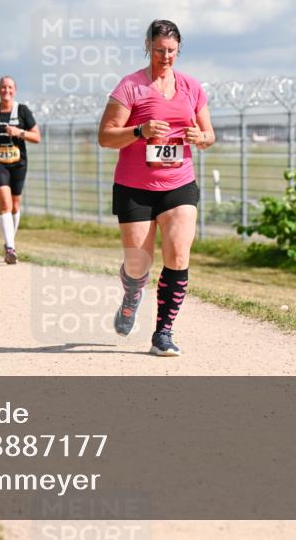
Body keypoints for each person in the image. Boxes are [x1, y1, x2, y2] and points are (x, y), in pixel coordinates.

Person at [97, 19, 214, 357]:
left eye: (172, 51)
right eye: (160, 50)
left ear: (179, 50)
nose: (166, 57)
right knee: (138, 264)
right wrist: (139, 131)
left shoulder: (191, 87)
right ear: (148, 46)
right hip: (135, 186)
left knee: (178, 254)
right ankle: (133, 294)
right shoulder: (130, 86)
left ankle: (163, 331)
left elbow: (209, 135)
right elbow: (105, 136)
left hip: (179, 183)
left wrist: (200, 138)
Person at [0, 76, 40, 264]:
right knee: (4, 203)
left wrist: (19, 132)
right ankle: (10, 248)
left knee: (15, 205)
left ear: (15, 90)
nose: (6, 90)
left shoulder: (22, 111)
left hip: (18, 162)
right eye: (3, 87)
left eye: (10, 87)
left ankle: (9, 242)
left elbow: (37, 136)